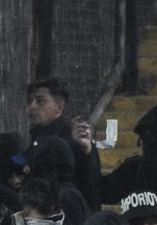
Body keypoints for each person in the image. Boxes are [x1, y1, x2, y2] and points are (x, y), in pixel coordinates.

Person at [26, 78, 102, 211]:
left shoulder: (74, 139)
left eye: (40, 101)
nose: (32, 107)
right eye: (30, 101)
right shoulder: (35, 138)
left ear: (59, 107)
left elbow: (92, 186)